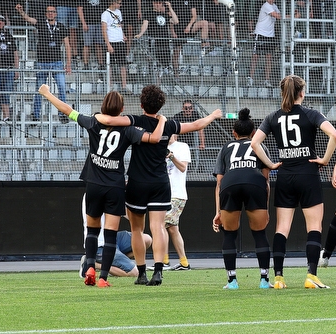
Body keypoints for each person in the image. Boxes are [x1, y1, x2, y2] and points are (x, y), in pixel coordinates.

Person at [39, 85, 164, 286]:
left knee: (92, 231)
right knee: (110, 235)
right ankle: (103, 278)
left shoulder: (93, 122)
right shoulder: (128, 130)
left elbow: (67, 110)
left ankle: (89, 267)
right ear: (122, 110)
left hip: (94, 185)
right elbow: (153, 139)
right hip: (114, 187)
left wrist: (47, 94)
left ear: (102, 106)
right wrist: (161, 121)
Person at [100, 86, 221, 285]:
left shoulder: (135, 121)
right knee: (158, 227)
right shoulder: (169, 124)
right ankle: (158, 271)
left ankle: (141, 273)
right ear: (161, 105)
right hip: (160, 183)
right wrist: (213, 115)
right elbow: (197, 125)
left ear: (141, 104)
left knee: (137, 229)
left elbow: (110, 120)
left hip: (137, 183)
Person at [251, 75, 336, 290]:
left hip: (285, 175)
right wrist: (325, 160)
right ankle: (311, 276)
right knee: (314, 226)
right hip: (308, 174)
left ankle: (279, 278)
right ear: (302, 92)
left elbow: (254, 143)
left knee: (282, 227)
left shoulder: (273, 117)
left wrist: (271, 165)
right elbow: (334, 135)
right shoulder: (311, 114)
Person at [213, 109, 273, 289]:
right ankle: (264, 280)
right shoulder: (260, 146)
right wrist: (266, 208)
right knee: (259, 233)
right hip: (255, 182)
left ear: (234, 133)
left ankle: (232, 281)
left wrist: (218, 212)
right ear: (254, 133)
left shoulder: (226, 148)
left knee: (229, 233)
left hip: (230, 183)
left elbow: (219, 183)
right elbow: (266, 180)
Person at [16, 4, 71, 122]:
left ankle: (63, 114)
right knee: (40, 90)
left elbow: (67, 45)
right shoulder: (41, 24)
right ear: (46, 14)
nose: (50, 13)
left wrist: (69, 63)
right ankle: (36, 115)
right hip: (42, 62)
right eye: (48, 11)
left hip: (57, 62)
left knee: (61, 88)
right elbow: (28, 19)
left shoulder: (61, 26)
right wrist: (21, 11)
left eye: (53, 11)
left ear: (56, 13)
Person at [164, 133, 192, 270]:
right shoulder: (159, 146)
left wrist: (171, 156)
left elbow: (182, 168)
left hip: (176, 194)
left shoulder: (182, 147)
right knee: (173, 228)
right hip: (162, 193)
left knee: (162, 225)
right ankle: (184, 262)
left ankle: (163, 261)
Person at [250, 0, 280, 85]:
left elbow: (280, 15)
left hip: (270, 35)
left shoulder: (275, 6)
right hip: (260, 33)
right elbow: (277, 16)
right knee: (256, 56)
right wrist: (292, 16)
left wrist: (290, 15)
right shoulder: (266, 6)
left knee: (269, 57)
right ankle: (250, 78)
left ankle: (267, 80)